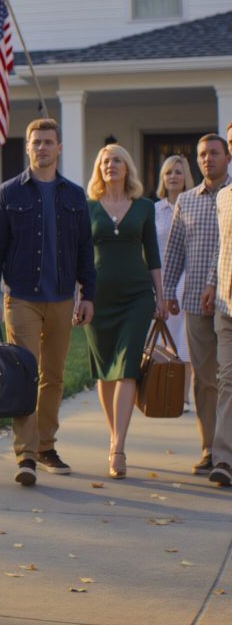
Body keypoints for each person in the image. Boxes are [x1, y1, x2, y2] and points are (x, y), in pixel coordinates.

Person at [0, 117, 96, 487]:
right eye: (36, 142)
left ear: (59, 147)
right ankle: (26, 455)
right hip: (22, 298)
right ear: (27, 147)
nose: (42, 148)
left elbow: (84, 250)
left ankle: (46, 445)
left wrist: (87, 294)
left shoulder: (74, 195)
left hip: (62, 297)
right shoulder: (9, 193)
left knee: (54, 377)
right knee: (25, 375)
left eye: (48, 142)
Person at [85, 144, 166, 479]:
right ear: (99, 169)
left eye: (117, 160)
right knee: (106, 371)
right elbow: (81, 256)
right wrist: (80, 295)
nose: (111, 166)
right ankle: (114, 435)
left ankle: (118, 448)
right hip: (99, 298)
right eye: (105, 161)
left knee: (128, 367)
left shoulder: (145, 207)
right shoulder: (87, 208)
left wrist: (160, 297)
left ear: (127, 167)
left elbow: (154, 256)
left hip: (136, 297)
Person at [163, 134, 231, 476]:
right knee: (205, 379)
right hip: (194, 302)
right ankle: (210, 448)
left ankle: (225, 450)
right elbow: (174, 248)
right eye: (202, 154)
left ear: (227, 156)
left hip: (226, 299)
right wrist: (168, 291)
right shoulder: (186, 201)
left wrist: (212, 281)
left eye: (214, 153)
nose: (207, 159)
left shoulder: (230, 196)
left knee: (228, 378)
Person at [154, 155, 195, 409]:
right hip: (159, 279)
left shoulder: (193, 204)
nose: (173, 177)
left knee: (184, 341)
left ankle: (184, 396)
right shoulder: (154, 209)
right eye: (168, 172)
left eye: (178, 172)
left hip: (186, 279)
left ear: (185, 177)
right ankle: (160, 392)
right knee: (161, 339)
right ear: (163, 178)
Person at [203, 182, 232, 488]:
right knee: (227, 379)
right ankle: (223, 458)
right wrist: (212, 282)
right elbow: (221, 246)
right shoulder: (225, 196)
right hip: (227, 304)